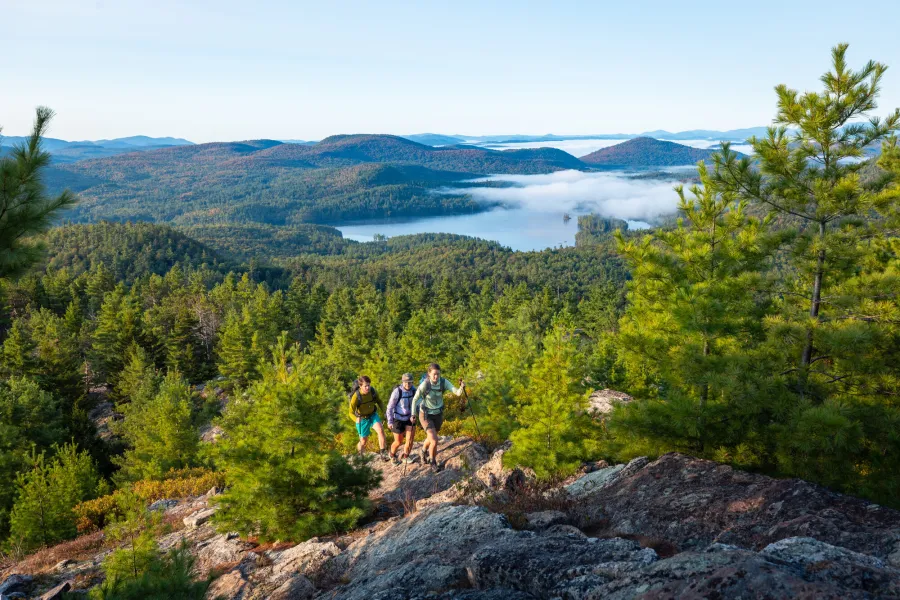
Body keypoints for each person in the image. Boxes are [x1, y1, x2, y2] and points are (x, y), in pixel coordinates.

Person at [412, 363, 464, 470]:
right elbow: (415, 399)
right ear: (429, 374)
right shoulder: (425, 385)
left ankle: (423, 451)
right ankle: (433, 462)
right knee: (434, 440)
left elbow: (457, 393)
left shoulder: (443, 382)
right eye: (434, 374)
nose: (436, 377)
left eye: (438, 374)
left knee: (431, 437)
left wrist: (461, 387)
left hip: (438, 414)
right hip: (425, 415)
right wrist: (413, 414)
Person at [349, 375, 389, 461]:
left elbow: (379, 401)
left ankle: (383, 453)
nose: (368, 387)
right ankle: (360, 456)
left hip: (373, 415)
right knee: (363, 441)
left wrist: (384, 411)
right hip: (362, 419)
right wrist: (356, 419)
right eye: (365, 386)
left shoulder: (373, 391)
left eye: (368, 385)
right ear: (360, 386)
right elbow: (350, 412)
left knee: (380, 430)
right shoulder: (356, 396)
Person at [386, 373, 417, 464]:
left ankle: (405, 456)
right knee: (398, 441)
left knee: (410, 439)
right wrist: (390, 421)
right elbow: (390, 407)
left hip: (410, 418)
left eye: (410, 382)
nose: (408, 384)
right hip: (398, 418)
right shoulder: (397, 392)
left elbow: (417, 404)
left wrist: (415, 414)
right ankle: (392, 454)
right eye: (406, 382)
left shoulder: (414, 391)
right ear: (402, 382)